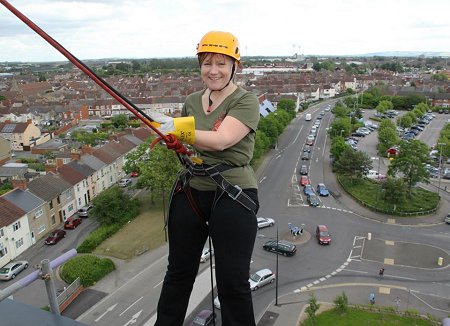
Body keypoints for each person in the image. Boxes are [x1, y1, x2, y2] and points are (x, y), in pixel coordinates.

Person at [152, 31, 260, 326]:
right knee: (178, 273)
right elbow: (195, 143)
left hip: (232, 191)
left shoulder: (246, 102)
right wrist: (175, 142)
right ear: (199, 66)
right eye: (207, 63)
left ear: (235, 66)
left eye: (222, 64)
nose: (213, 71)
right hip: (192, 188)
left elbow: (222, 140)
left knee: (232, 283)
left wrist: (176, 129)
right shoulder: (191, 101)